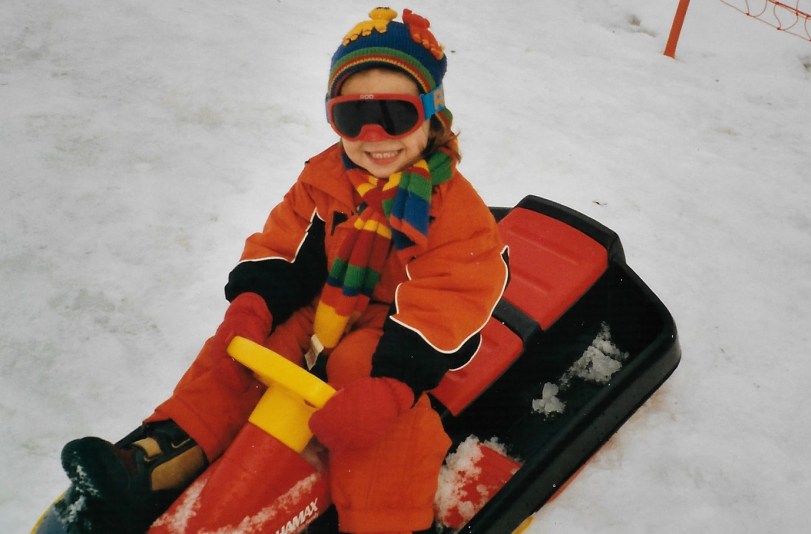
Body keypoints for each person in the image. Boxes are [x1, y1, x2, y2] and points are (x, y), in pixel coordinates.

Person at [58, 7, 508, 533]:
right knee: (242, 352)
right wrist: (254, 305)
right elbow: (284, 245)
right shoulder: (325, 180)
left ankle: (387, 521)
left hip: (394, 331)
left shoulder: (458, 217)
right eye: (350, 117)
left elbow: (449, 301)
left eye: (396, 115)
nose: (373, 135)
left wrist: (393, 386)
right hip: (327, 309)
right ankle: (158, 459)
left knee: (370, 402)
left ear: (432, 114)